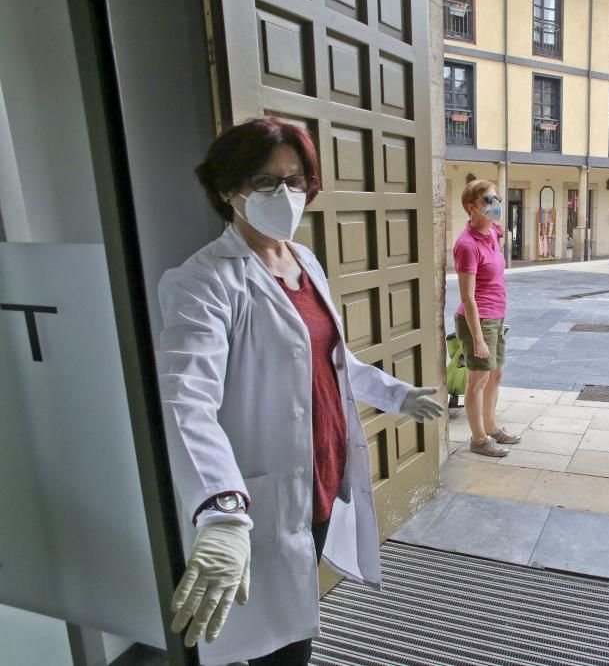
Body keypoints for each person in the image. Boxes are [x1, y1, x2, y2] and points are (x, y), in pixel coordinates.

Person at [157, 118, 444, 665]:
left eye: (295, 181)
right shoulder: (202, 282)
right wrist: (219, 509)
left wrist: (396, 394)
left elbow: (329, 361)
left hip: (321, 475)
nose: (284, 195)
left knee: (293, 615)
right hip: (261, 496)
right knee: (281, 647)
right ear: (227, 190)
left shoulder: (302, 260)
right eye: (266, 183)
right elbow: (186, 401)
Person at [453, 179, 520, 457]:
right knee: (477, 380)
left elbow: (495, 241)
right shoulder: (466, 245)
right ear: (472, 208)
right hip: (478, 320)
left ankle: (491, 427)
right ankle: (478, 438)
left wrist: (495, 230)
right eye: (489, 201)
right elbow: (467, 297)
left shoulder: (492, 233)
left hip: (496, 316)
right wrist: (478, 338)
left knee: (496, 374)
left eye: (497, 199)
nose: (496, 205)